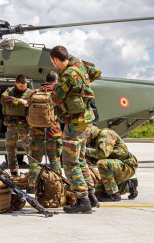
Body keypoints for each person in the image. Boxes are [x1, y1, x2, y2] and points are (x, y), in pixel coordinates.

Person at [50, 45, 98, 213]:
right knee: (81, 159)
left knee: (70, 162)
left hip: (76, 123)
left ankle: (82, 199)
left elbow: (56, 99)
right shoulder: (79, 66)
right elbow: (95, 71)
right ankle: (91, 195)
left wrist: (53, 89)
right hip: (87, 121)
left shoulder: (68, 76)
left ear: (55, 59)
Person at [27, 71, 62, 192]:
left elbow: (28, 110)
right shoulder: (56, 94)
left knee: (35, 160)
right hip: (53, 132)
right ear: (56, 81)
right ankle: (58, 183)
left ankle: (32, 186)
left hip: (36, 132)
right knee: (54, 159)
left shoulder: (34, 93)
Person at [86, 126, 138, 201]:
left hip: (127, 165)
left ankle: (114, 195)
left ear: (90, 134)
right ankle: (128, 186)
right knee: (99, 193)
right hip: (115, 167)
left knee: (102, 163)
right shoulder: (93, 141)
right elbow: (95, 160)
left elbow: (103, 154)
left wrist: (85, 150)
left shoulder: (106, 134)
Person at [0, 74, 33, 176]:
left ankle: (33, 172)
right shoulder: (9, 91)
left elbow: (30, 103)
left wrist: (22, 102)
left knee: (29, 148)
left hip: (25, 125)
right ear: (16, 84)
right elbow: (3, 100)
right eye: (20, 86)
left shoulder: (30, 92)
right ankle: (13, 171)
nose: (23, 88)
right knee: (10, 148)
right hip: (11, 124)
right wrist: (19, 101)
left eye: (24, 86)